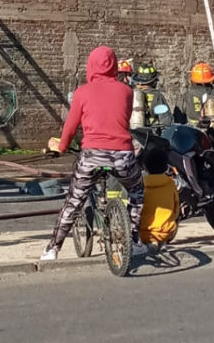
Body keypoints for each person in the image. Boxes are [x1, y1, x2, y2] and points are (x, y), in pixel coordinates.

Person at [41, 46, 147, 261]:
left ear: (90, 66)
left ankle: (53, 249)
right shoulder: (127, 92)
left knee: (74, 201)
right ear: (115, 66)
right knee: (137, 192)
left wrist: (61, 147)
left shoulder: (82, 92)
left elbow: (70, 127)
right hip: (122, 155)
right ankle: (134, 240)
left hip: (92, 155)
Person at [174, 62, 214, 143]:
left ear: (193, 80)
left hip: (194, 142)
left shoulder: (186, 96)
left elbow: (178, 120)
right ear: (211, 80)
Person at [139, 146, 179, 248]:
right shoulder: (170, 183)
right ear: (166, 167)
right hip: (165, 232)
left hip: (142, 234)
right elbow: (176, 208)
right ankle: (162, 243)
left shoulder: (140, 184)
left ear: (145, 167)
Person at [130, 62, 173, 128]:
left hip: (131, 133)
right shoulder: (157, 97)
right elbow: (166, 121)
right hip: (150, 134)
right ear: (154, 81)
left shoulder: (130, 94)